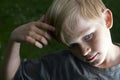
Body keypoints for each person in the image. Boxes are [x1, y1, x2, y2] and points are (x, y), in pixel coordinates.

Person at [2, 0, 120, 80]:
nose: (84, 51)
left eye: (88, 36)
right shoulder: (64, 64)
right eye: (73, 45)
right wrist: (14, 40)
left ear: (107, 19)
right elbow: (12, 76)